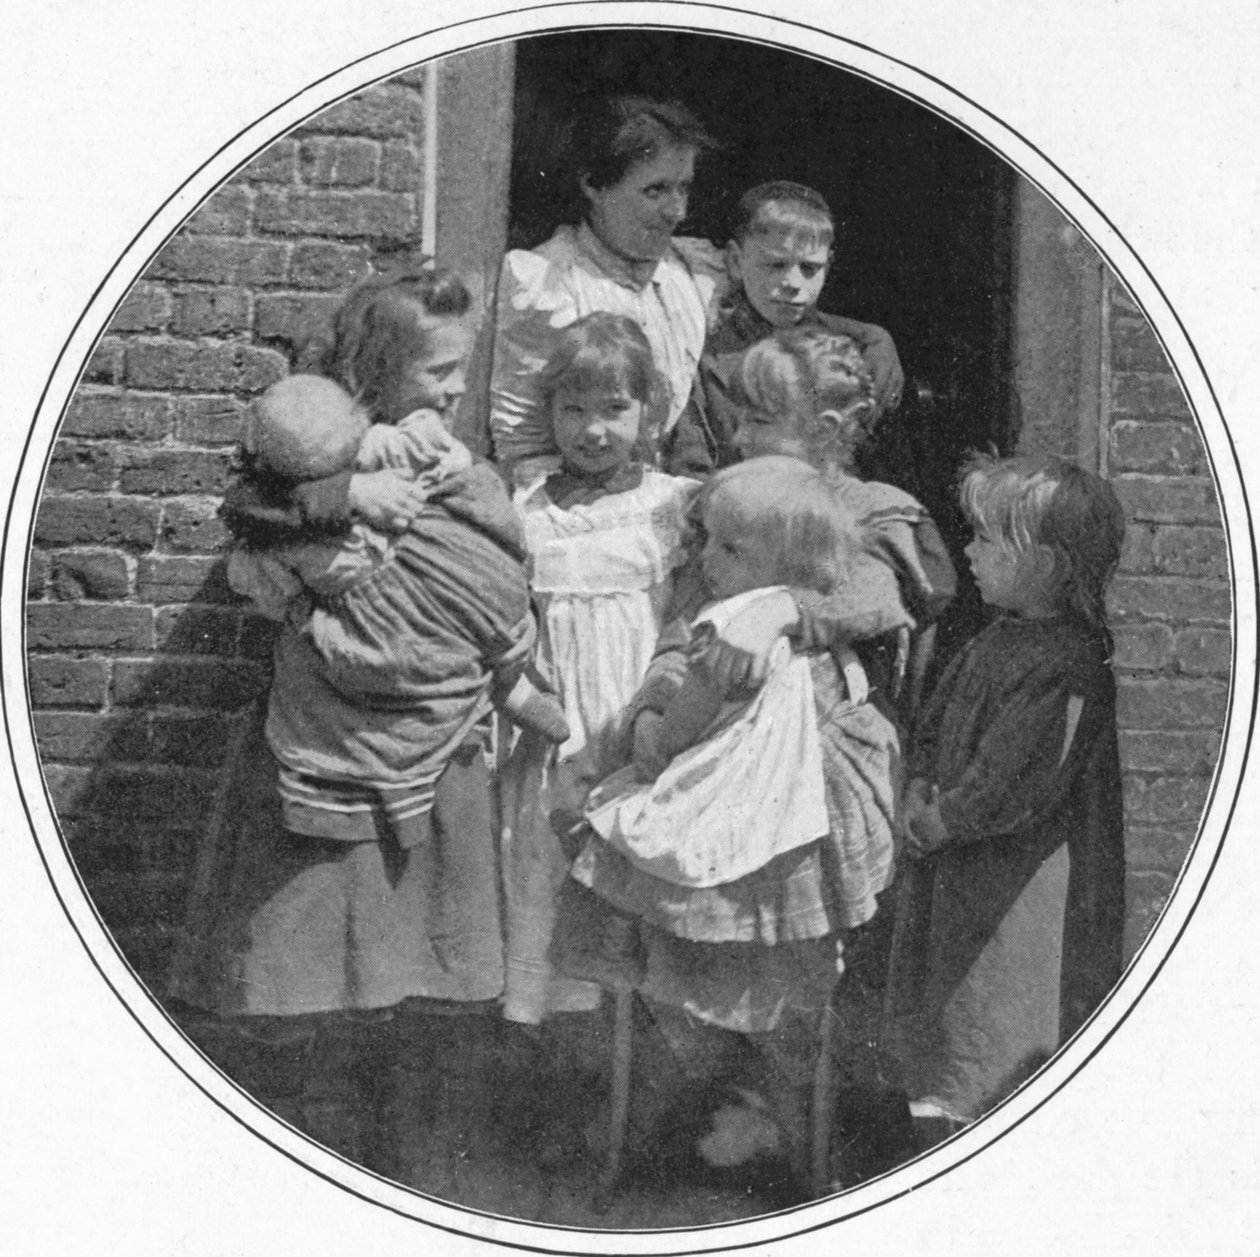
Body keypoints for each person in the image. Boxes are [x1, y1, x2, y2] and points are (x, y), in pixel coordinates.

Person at [556, 457, 902, 1195]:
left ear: (792, 565)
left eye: (730, 549)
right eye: (708, 540)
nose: (708, 560)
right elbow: (677, 668)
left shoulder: (750, 620)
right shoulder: (750, 606)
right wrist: (651, 714)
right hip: (787, 810)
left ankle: (752, 1099)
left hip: (763, 815)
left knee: (654, 864)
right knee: (741, 966)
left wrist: (658, 741)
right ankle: (744, 1098)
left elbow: (691, 712)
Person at [888, 452, 1127, 1144]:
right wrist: (918, 782)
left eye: (988, 539)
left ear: (1045, 565)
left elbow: (1017, 779)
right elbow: (933, 724)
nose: (969, 550)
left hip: (1011, 884)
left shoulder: (1068, 664)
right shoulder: (994, 640)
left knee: (998, 1015)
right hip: (957, 868)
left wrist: (941, 819)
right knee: (948, 1015)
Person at [480, 96, 903, 485]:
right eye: (656, 190)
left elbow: (782, 294)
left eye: (683, 187)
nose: (678, 211)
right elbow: (523, 443)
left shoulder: (693, 266)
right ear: (593, 185)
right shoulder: (547, 281)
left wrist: (872, 337)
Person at [497, 311, 700, 1025]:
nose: (592, 430)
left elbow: (688, 615)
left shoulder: (669, 504)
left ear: (647, 410)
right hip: (556, 719)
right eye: (573, 409)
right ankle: (552, 1019)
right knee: (543, 852)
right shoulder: (525, 506)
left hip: (638, 710)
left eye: (614, 409)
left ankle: (633, 1024)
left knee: (635, 861)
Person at [709, 325, 956, 713]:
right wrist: (655, 706)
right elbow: (688, 611)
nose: (739, 438)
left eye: (759, 422)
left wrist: (781, 611)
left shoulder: (874, 509)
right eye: (737, 421)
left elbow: (880, 593)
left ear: (825, 429)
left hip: (835, 726)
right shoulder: (733, 504)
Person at [664, 180, 904, 478]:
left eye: (809, 268)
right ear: (736, 261)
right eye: (775, 265)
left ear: (828, 266)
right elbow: (691, 467)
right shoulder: (704, 357)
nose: (793, 283)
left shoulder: (853, 351)